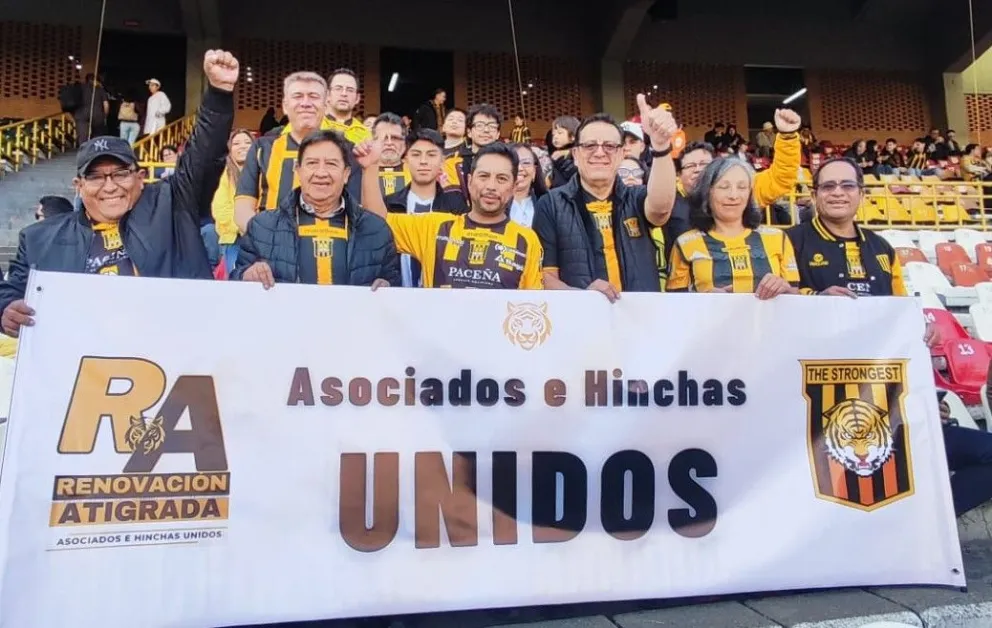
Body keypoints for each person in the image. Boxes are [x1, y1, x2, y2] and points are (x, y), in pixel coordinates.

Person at [0, 50, 240, 338]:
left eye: (120, 173)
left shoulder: (173, 205)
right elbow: (11, 294)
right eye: (96, 177)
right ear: (79, 186)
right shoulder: (39, 238)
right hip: (85, 369)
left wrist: (219, 93)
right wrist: (7, 311)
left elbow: (204, 155)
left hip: (175, 358)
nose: (110, 186)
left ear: (140, 178)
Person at [534, 95, 678, 301]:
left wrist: (661, 144)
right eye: (590, 146)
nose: (600, 153)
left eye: (609, 146)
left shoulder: (636, 197)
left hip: (639, 318)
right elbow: (544, 277)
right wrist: (585, 297)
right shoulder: (551, 204)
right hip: (581, 320)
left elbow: (661, 209)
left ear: (621, 154)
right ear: (575, 154)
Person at [363, 142, 543, 290]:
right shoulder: (435, 227)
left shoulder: (527, 240)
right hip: (436, 334)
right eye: (484, 176)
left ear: (513, 188)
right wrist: (370, 166)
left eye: (502, 179)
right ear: (470, 182)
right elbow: (378, 223)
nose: (491, 186)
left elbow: (532, 304)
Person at [232, 130, 398, 289]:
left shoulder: (376, 230)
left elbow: (396, 283)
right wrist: (247, 275)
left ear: (346, 174)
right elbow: (235, 281)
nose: (321, 173)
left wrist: (388, 288)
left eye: (331, 164)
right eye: (312, 163)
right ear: (298, 170)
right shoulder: (262, 226)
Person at [667, 158, 799, 298]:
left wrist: (784, 288)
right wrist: (702, 300)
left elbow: (794, 294)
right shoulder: (685, 243)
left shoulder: (777, 238)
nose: (733, 196)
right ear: (707, 192)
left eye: (742, 187)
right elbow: (675, 302)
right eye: (724, 187)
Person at [233, 71, 328, 232]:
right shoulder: (262, 148)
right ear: (285, 106)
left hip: (326, 249)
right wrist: (265, 239)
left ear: (325, 106)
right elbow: (243, 207)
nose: (306, 103)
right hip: (270, 248)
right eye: (298, 96)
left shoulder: (345, 149)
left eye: (313, 96)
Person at [382, 129, 467, 287]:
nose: (423, 161)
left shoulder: (456, 208)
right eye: (416, 154)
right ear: (405, 159)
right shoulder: (389, 205)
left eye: (431, 155)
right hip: (396, 297)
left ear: (443, 161)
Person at [210, 129, 254, 274]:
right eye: (236, 143)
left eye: (248, 142)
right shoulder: (225, 175)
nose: (242, 146)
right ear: (230, 149)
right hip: (234, 239)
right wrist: (243, 227)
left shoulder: (263, 172)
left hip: (260, 239)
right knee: (237, 281)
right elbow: (221, 210)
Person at [444, 103, 502, 197]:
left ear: (498, 134)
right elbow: (451, 198)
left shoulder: (508, 160)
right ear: (469, 132)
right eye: (480, 125)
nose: (486, 130)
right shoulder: (452, 162)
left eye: (492, 126)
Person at [508, 143, 548, 228]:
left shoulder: (549, 204)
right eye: (514, 162)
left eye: (526, 163)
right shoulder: (494, 203)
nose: (520, 168)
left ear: (534, 171)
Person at [372, 113, 410, 196]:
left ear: (404, 143)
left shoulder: (417, 173)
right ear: (373, 141)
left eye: (395, 138)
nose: (389, 143)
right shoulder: (360, 174)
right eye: (384, 138)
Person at [75, 73, 108, 144]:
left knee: (83, 136)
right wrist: (105, 115)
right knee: (97, 135)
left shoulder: (80, 88)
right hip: (97, 114)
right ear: (95, 80)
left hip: (81, 114)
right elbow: (106, 105)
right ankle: (94, 149)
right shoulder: (100, 90)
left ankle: (84, 150)